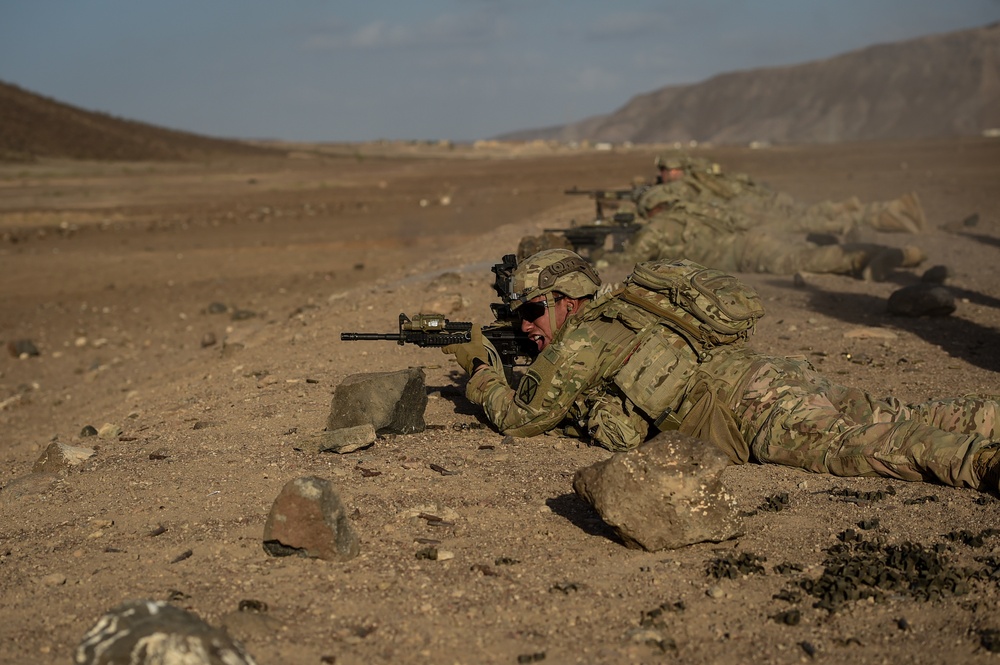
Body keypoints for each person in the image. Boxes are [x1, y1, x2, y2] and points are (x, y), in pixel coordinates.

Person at [442, 248, 1000, 491]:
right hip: (771, 374)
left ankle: (984, 464)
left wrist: (479, 370)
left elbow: (519, 420)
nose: (527, 327)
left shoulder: (584, 339)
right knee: (895, 412)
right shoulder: (632, 302)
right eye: (518, 317)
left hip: (750, 408)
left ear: (568, 300)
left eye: (534, 311)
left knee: (857, 446)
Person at [619, 190, 927, 281]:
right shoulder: (691, 211)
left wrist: (604, 256)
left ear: (652, 210)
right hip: (755, 235)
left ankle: (869, 258)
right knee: (804, 248)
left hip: (747, 250)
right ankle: (890, 252)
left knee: (803, 259)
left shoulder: (659, 226)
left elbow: (631, 257)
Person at [648, 153, 928, 235]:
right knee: (809, 213)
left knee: (805, 221)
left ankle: (883, 217)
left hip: (750, 210)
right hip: (760, 201)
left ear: (671, 170)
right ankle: (888, 208)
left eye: (663, 170)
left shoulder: (682, 185)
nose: (661, 175)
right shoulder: (707, 177)